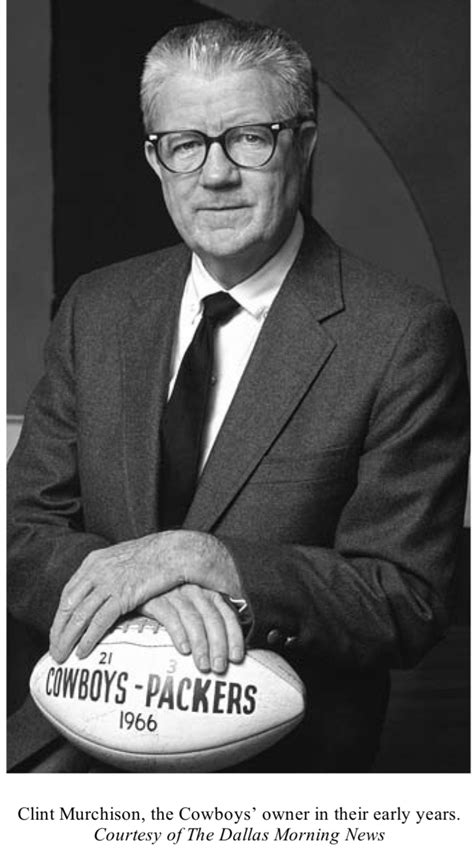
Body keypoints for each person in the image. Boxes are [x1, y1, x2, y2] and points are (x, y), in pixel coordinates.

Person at [8, 18, 469, 773]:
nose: (214, 173)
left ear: (305, 143)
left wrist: (209, 560)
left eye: (250, 137)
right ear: (155, 160)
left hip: (273, 762)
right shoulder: (98, 308)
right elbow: (22, 536)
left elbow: (406, 597)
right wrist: (145, 589)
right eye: (184, 143)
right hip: (73, 731)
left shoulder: (402, 336)